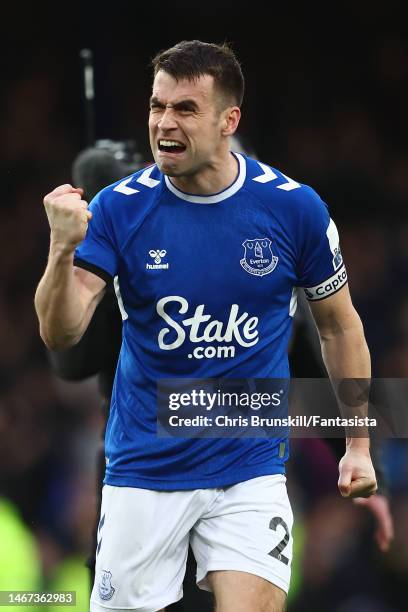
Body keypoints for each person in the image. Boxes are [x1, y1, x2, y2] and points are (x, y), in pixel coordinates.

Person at [35, 41, 377, 612]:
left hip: (249, 468)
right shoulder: (122, 208)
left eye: (185, 109)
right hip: (144, 469)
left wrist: (359, 446)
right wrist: (61, 250)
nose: (164, 123)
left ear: (229, 121)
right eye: (156, 106)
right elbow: (61, 334)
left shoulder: (294, 210)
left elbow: (341, 328)